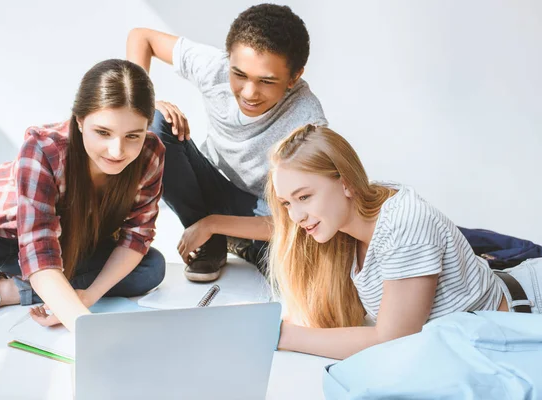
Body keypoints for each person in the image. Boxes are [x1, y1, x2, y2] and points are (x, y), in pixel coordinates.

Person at [267, 124, 542, 360]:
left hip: (529, 311)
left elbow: (393, 340)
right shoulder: (343, 228)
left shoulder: (402, 224)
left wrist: (282, 336)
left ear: (346, 183)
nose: (296, 216)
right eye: (286, 203)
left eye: (304, 197)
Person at [0, 59, 166, 331]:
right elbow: (39, 252)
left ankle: (0, 290)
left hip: (57, 242)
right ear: (80, 120)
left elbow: (136, 236)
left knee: (151, 267)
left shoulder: (150, 154)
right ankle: (23, 283)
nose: (117, 151)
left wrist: (86, 297)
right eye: (103, 132)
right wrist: (87, 330)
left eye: (133, 135)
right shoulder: (44, 148)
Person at [127, 4, 327, 282]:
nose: (249, 93)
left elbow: (300, 218)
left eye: (266, 81)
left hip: (265, 212)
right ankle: (214, 240)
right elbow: (141, 37)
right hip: (208, 182)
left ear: (294, 77)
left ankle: (237, 238)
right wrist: (143, 103)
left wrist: (213, 224)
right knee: (153, 123)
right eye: (240, 75)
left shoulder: (307, 122)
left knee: (298, 278)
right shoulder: (215, 66)